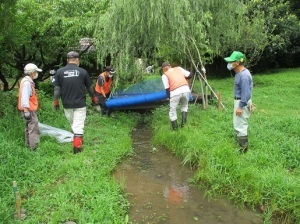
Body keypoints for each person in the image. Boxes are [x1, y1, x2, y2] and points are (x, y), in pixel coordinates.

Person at [53, 51, 98, 154]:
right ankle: (77, 149)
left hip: (66, 104)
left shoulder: (59, 72)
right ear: (77, 60)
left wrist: (56, 101)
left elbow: (57, 89)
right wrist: (94, 99)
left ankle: (78, 141)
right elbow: (90, 88)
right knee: (77, 125)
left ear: (67, 60)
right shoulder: (83, 72)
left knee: (75, 124)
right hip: (80, 104)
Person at [224, 51, 253, 153]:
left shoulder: (243, 76)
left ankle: (243, 149)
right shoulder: (239, 73)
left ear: (237, 63)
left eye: (231, 62)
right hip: (241, 101)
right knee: (239, 124)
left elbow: (246, 93)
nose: (229, 64)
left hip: (241, 102)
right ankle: (242, 146)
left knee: (240, 125)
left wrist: (240, 107)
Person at [161, 61, 192, 130]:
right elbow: (190, 75)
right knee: (184, 107)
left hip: (175, 92)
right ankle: (184, 126)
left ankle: (175, 130)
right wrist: (184, 78)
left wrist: (169, 98)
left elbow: (167, 89)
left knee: (172, 111)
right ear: (170, 66)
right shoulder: (178, 68)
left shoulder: (164, 75)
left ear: (164, 68)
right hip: (185, 90)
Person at [18, 63, 43, 150]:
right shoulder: (27, 83)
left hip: (28, 109)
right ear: (32, 73)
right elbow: (25, 97)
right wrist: (26, 111)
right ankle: (33, 148)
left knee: (28, 127)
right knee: (33, 128)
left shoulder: (25, 81)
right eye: (36, 71)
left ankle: (28, 146)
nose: (36, 73)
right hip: (29, 110)